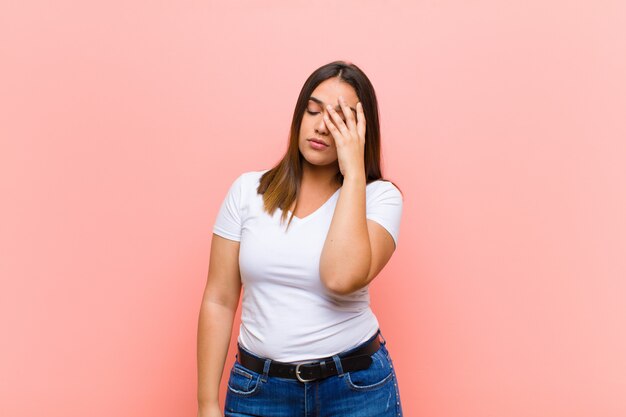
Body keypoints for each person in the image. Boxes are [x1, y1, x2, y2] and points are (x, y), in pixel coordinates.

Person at [197, 60, 404, 417]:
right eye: (312, 110)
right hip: (259, 391)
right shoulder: (247, 191)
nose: (321, 126)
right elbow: (219, 299)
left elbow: (340, 278)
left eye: (340, 120)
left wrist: (353, 173)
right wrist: (206, 404)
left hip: (355, 389)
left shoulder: (380, 198)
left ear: (361, 130)